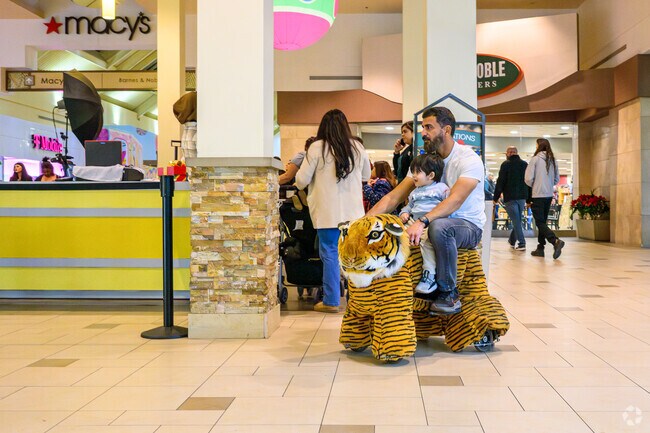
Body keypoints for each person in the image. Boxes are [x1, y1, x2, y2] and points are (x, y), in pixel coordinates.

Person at [368, 107, 485, 315]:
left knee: (439, 227)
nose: (423, 133)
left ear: (446, 130)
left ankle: (449, 294)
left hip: (466, 225)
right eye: (423, 127)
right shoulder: (425, 162)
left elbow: (455, 200)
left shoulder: (468, 159)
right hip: (431, 225)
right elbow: (393, 197)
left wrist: (422, 221)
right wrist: (364, 223)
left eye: (429, 127)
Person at [295, 109, 371, 313]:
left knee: (329, 255)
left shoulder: (316, 147)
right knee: (354, 257)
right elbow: (366, 175)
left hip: (326, 214)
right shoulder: (357, 147)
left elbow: (301, 181)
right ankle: (359, 302)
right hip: (353, 215)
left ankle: (331, 301)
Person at [398, 154, 449, 297]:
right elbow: (409, 207)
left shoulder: (441, 188)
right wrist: (404, 213)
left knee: (427, 242)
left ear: (431, 175)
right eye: (412, 171)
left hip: (431, 223)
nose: (413, 176)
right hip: (413, 221)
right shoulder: (414, 192)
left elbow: (447, 207)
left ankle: (429, 274)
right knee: (398, 234)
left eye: (417, 172)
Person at [525, 138, 565, 259]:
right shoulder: (552, 160)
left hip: (537, 195)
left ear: (538, 146)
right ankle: (540, 248)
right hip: (548, 195)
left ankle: (555, 241)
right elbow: (557, 179)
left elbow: (528, 178)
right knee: (543, 221)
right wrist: (547, 184)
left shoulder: (535, 159)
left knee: (540, 222)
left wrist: (535, 185)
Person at [493, 146, 529, 251]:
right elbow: (529, 182)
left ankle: (522, 243)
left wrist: (495, 197)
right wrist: (529, 198)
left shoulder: (506, 164)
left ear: (508, 153)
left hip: (510, 197)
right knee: (517, 219)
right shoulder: (524, 164)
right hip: (522, 197)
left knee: (516, 220)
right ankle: (512, 240)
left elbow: (501, 182)